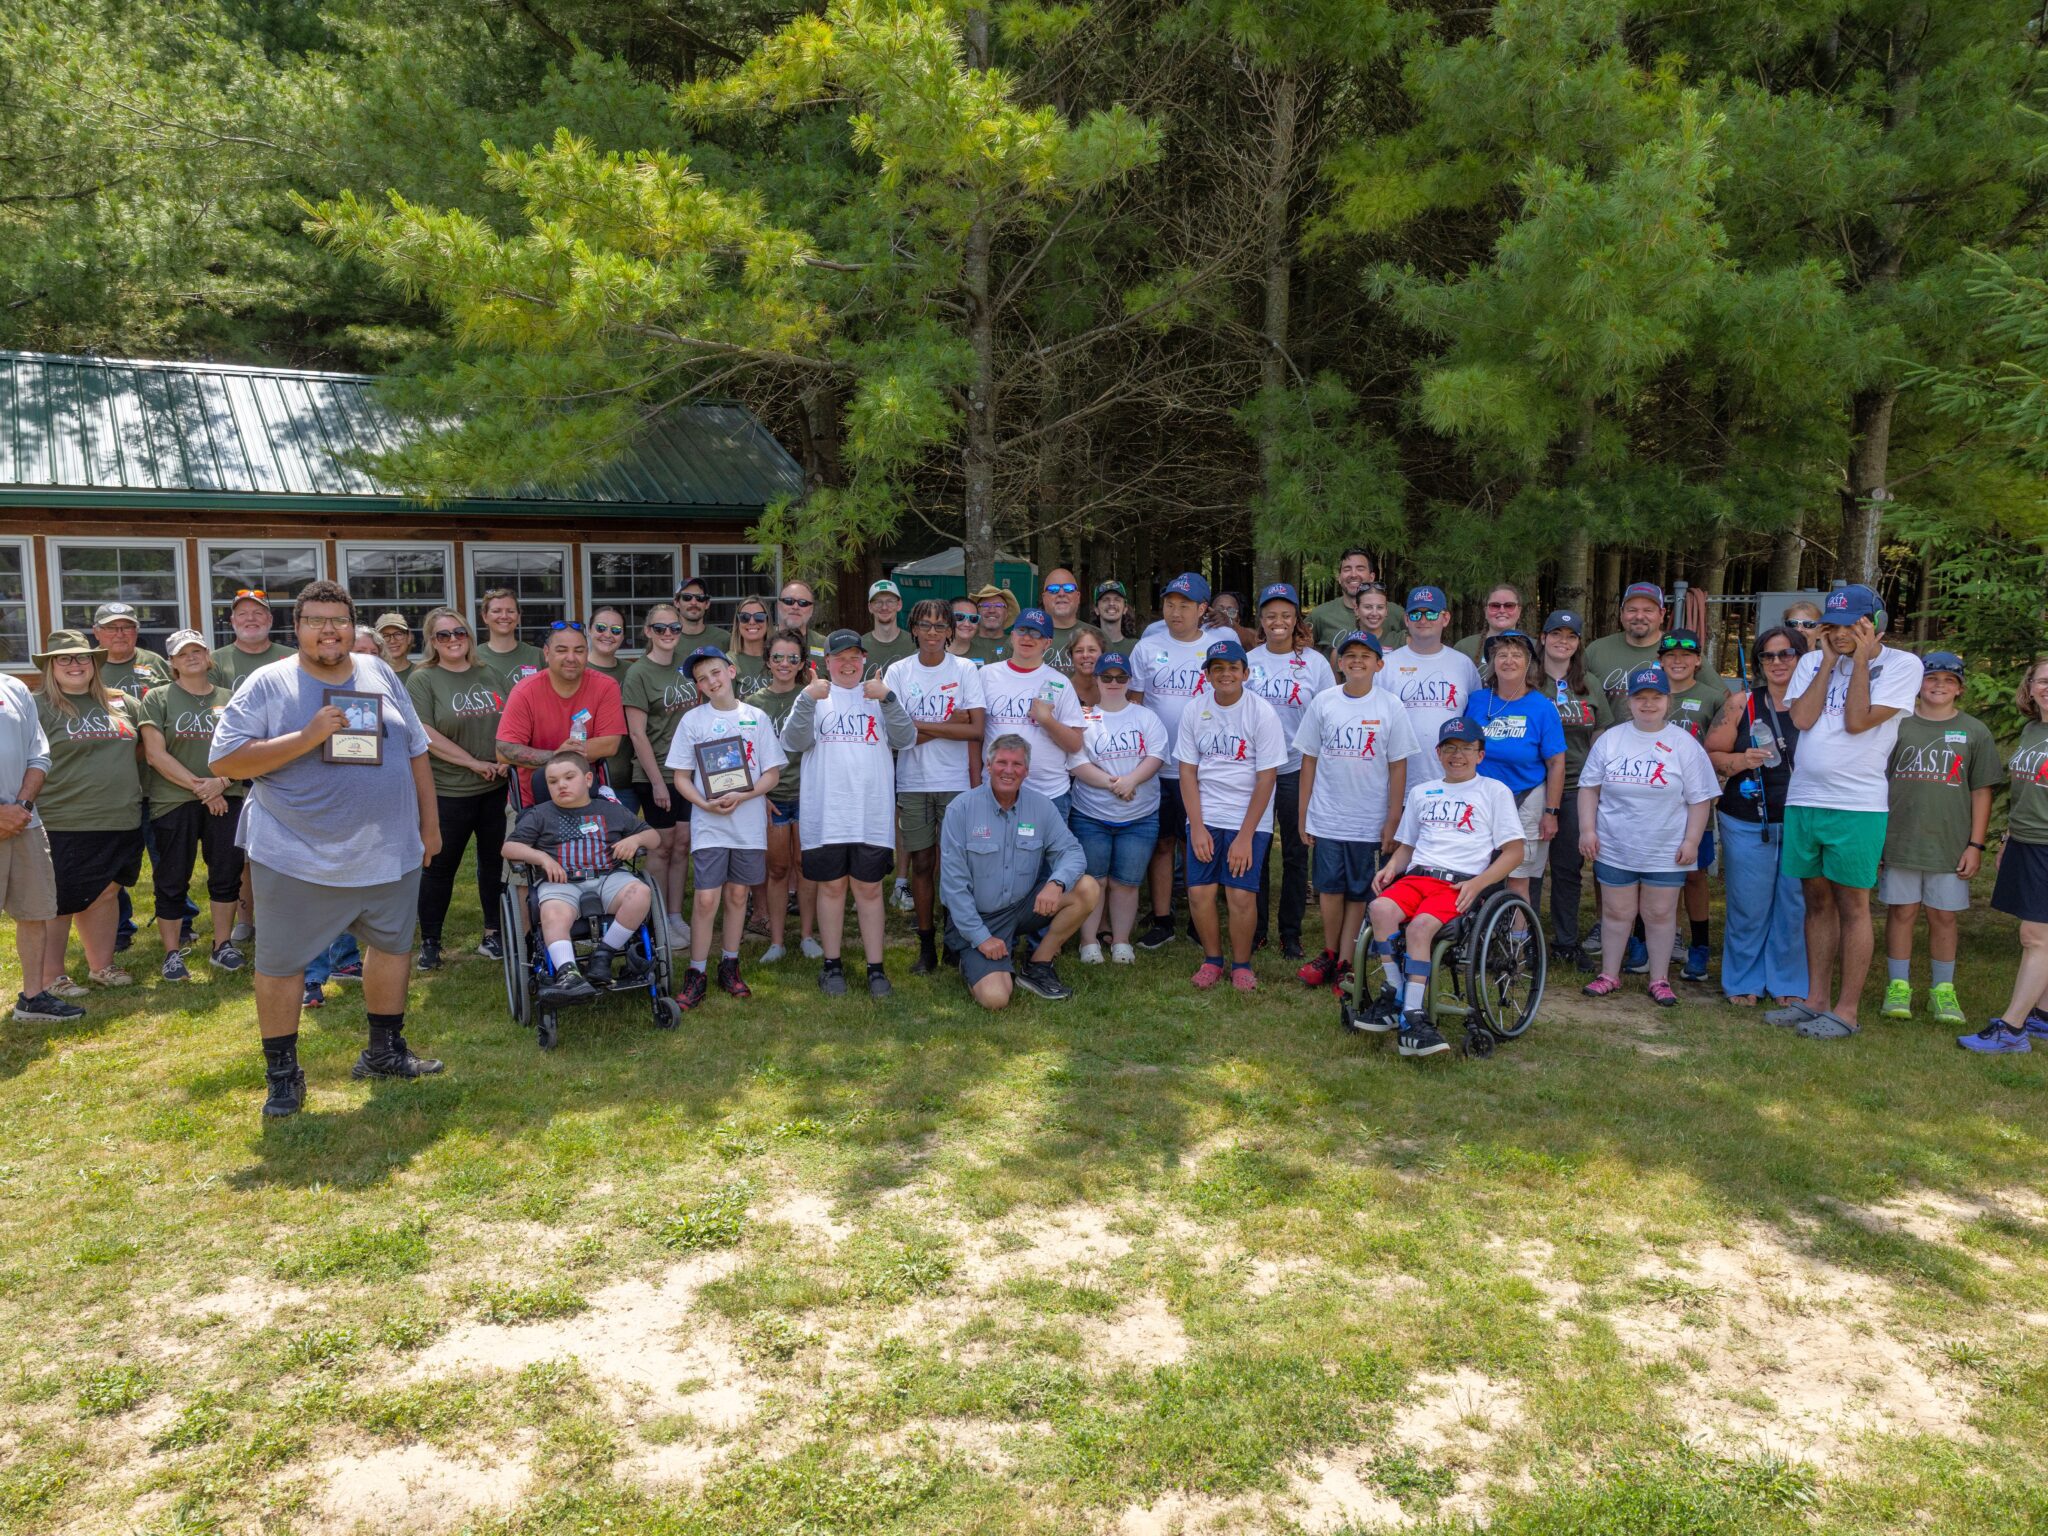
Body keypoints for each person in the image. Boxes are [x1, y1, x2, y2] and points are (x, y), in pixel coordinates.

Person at [210, 580, 442, 1119]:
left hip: (387, 849)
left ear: (351, 623)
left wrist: (428, 826)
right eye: (316, 620)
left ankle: (384, 1052)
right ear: (298, 628)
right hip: (297, 853)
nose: (329, 630)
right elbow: (225, 763)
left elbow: (415, 748)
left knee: (392, 947)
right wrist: (307, 736)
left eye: (337, 619)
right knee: (281, 964)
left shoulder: (378, 672)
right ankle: (283, 1075)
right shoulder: (268, 683)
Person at [1766, 583, 1924, 1039]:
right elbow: (1801, 720)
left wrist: (1859, 661)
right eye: (1832, 626)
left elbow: (1857, 721)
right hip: (1805, 800)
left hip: (1857, 805)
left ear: (1874, 625)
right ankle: (1815, 1000)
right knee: (1815, 902)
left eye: (1851, 626)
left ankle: (1847, 1010)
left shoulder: (1902, 665)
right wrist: (1830, 661)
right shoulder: (1815, 662)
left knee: (1852, 905)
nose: (1839, 634)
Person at [1364, 719, 1524, 1057]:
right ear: (1438, 753)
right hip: (1418, 876)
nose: (1457, 755)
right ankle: (1394, 992)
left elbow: (1515, 851)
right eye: (1449, 748)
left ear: (1480, 754)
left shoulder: (1494, 792)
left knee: (1421, 928)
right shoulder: (1422, 792)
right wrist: (1392, 867)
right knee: (1379, 908)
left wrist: (1480, 882)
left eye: (1465, 748)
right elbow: (1407, 846)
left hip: (1459, 882)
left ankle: (1412, 1015)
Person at [778, 630, 917, 996]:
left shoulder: (878, 696)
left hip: (870, 813)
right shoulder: (814, 697)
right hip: (826, 814)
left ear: (865, 659)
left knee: (869, 889)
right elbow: (793, 742)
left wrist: (888, 699)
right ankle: (832, 965)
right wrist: (808, 699)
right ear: (827, 662)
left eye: (855, 657)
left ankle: (876, 969)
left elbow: (906, 739)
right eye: (840, 657)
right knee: (833, 887)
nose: (848, 664)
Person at [1577, 667, 1719, 1008]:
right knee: (1616, 912)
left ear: (1668, 701)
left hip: (1665, 848)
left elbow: (1700, 798)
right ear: (1629, 701)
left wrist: (1692, 841)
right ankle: (1609, 973)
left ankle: (1659, 979)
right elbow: (1589, 788)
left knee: (1659, 914)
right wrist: (1588, 829)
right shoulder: (1611, 739)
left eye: (1656, 697)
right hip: (1615, 844)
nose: (1648, 704)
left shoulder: (1684, 744)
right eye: (1641, 697)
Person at [1877, 652, 1999, 1025]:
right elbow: (1876, 780)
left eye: (1948, 680)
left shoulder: (1975, 731)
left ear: (1959, 688)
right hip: (1900, 838)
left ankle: (1942, 991)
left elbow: (1981, 791)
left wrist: (1975, 845)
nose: (1939, 685)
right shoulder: (1898, 726)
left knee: (1944, 915)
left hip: (1949, 843)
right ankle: (1899, 987)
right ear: (1918, 684)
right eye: (1932, 678)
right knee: (1901, 911)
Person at [1294, 631, 1418, 994]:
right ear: (1339, 662)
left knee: (1359, 891)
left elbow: (1398, 766)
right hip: (1329, 814)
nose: (1358, 661)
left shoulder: (1390, 706)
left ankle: (1347, 960)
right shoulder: (1324, 702)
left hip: (1369, 819)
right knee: (1329, 889)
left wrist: (1393, 819)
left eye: (1366, 656)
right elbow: (1309, 760)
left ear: (1379, 664)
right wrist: (1304, 813)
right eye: (1350, 655)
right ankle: (1330, 952)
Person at [937, 734, 1100, 1006]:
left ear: (1026, 770)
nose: (1008, 770)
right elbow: (954, 888)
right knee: (996, 999)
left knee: (1087, 888)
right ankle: (971, 960)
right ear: (989, 766)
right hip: (979, 918)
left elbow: (1072, 852)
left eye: (1017, 764)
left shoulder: (1041, 806)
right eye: (1001, 762)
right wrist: (981, 938)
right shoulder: (961, 809)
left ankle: (1038, 965)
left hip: (1023, 908)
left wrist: (1056, 883)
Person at [667, 647, 786, 1008]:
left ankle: (730, 964)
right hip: (710, 823)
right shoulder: (693, 721)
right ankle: (696, 971)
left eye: (716, 672)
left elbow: (772, 773)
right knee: (706, 898)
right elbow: (681, 776)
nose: (711, 681)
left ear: (731, 672)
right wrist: (703, 804)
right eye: (702, 678)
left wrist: (745, 794)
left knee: (738, 895)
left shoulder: (757, 717)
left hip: (747, 823)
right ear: (698, 686)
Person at [31, 630, 142, 995]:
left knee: (105, 892)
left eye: (83, 658)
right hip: (65, 819)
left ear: (95, 664)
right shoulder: (38, 706)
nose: (75, 665)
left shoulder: (120, 703)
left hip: (121, 817)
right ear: (50, 666)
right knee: (60, 900)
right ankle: (52, 977)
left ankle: (101, 966)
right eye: (64, 659)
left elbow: (146, 749)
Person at [1703, 626, 1809, 1007]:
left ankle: (1788, 981)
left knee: (1794, 904)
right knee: (1748, 904)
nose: (1777, 662)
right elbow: (1711, 753)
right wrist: (1738, 761)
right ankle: (1743, 979)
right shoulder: (1742, 703)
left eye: (1786, 654)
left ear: (1802, 656)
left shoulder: (1818, 701)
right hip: (1747, 818)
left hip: (1801, 818)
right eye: (1768, 655)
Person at [1131, 572, 1236, 949]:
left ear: (1202, 609)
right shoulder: (1147, 647)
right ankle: (1162, 919)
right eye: (1170, 604)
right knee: (1163, 843)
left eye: (1185, 605)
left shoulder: (1217, 650)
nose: (1175, 612)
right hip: (1157, 766)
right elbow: (1135, 703)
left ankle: (1198, 916)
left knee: (1196, 842)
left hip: (1202, 768)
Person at [501, 753, 660, 1003]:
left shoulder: (610, 810)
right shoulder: (539, 814)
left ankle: (603, 956)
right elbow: (509, 849)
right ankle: (569, 973)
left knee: (641, 893)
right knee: (552, 913)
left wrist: (635, 839)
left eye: (568, 777)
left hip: (609, 876)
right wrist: (543, 859)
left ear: (588, 779)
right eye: (552, 782)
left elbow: (654, 837)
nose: (561, 785)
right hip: (561, 883)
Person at [405, 605, 511, 972]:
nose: (453, 640)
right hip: (448, 790)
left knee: (495, 864)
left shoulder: (490, 673)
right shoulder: (423, 679)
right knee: (438, 866)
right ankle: (431, 942)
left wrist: (504, 758)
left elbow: (510, 720)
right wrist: (472, 762)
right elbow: (424, 733)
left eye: (459, 633)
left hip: (496, 786)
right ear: (431, 641)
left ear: (469, 636)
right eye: (443, 635)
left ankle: (493, 933)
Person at [1178, 638, 1287, 992]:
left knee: (1240, 895)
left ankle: (1241, 964)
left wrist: (1245, 837)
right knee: (1200, 894)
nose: (1226, 674)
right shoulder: (1195, 709)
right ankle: (1212, 959)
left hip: (1247, 819)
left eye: (1233, 668)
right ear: (1208, 674)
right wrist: (1196, 827)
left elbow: (1266, 776)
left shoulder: (1261, 712)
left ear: (1245, 673)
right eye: (1218, 668)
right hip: (1206, 814)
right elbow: (1187, 772)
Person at [885, 600, 986, 973]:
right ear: (913, 629)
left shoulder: (964, 670)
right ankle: (926, 946)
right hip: (912, 783)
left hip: (956, 781)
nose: (932, 631)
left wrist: (919, 726)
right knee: (923, 864)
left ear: (950, 631)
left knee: (956, 866)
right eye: (924, 624)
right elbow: (896, 736)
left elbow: (976, 729)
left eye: (940, 625)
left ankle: (955, 943)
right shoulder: (898, 671)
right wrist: (949, 721)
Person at [138, 629, 245, 979]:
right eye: (183, 654)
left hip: (226, 798)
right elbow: (155, 754)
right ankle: (172, 953)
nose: (192, 657)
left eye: (197, 650)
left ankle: (222, 945)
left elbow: (246, 749)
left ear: (208, 656)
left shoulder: (231, 697)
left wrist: (222, 784)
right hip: (174, 802)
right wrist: (203, 789)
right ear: (173, 663)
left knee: (226, 874)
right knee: (172, 878)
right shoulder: (158, 697)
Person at [1959, 658, 2048, 1052]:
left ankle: (2011, 1031)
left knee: (2035, 936)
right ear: (2029, 688)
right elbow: (2026, 792)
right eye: (2042, 680)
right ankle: (2043, 1016)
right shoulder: (2033, 729)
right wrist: (2010, 836)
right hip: (2027, 841)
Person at [1244, 583, 1334, 959]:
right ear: (1261, 620)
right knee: (1256, 850)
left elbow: (1329, 713)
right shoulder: (1248, 659)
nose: (1278, 622)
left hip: (1298, 769)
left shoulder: (1314, 663)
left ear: (1296, 618)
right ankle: (1257, 929)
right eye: (1270, 615)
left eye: (1285, 615)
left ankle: (1290, 933)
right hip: (1255, 770)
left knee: (1297, 853)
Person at [1068, 650, 1167, 964]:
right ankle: (1088, 941)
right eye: (1106, 676)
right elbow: (1076, 763)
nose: (1113, 682)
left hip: (1139, 817)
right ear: (1096, 679)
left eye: (1120, 677)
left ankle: (1122, 940)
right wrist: (1117, 784)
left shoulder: (1145, 716)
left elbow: (1156, 756)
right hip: (1091, 815)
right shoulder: (1083, 719)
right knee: (1093, 880)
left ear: (1129, 680)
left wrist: (1132, 780)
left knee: (1126, 882)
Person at [1463, 630, 1565, 907]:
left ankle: (1518, 943)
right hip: (1481, 799)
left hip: (1525, 797)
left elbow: (1556, 762)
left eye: (1516, 655)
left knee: (1519, 877)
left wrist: (1551, 812)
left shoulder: (1542, 707)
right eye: (1502, 655)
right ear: (1492, 662)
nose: (1509, 661)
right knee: (1477, 870)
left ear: (1528, 661)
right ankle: (1479, 938)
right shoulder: (1477, 701)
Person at [0, 664, 78, 1024]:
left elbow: (39, 753)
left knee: (35, 911)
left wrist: (22, 806)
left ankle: (32, 998)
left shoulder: (13, 687)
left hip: (25, 822)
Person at [1532, 611, 1606, 966]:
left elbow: (1602, 733)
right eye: (1556, 634)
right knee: (1528, 867)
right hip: (1533, 785)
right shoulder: (1528, 680)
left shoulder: (1589, 682)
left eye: (1571, 636)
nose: (1563, 641)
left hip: (1577, 785)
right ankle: (1523, 937)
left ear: (1578, 644)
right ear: (1543, 638)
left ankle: (1565, 940)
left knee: (1567, 868)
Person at [622, 603, 695, 943]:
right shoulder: (639, 674)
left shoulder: (687, 668)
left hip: (689, 771)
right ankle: (656, 919)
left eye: (675, 628)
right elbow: (637, 734)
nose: (669, 634)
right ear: (648, 632)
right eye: (661, 628)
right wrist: (656, 783)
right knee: (661, 846)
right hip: (657, 774)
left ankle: (675, 915)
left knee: (682, 844)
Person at [1654, 629, 1724, 980]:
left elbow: (1720, 747)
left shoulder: (1712, 698)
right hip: (1652, 801)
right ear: (1660, 660)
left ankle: (1699, 947)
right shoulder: (1648, 694)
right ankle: (1641, 939)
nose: (1678, 661)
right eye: (1670, 656)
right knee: (1647, 872)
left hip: (1693, 801)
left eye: (1686, 655)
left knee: (1694, 875)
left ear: (1698, 660)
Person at [978, 609, 1086, 820]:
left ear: (1047, 642)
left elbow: (1075, 744)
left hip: (1049, 794)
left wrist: (1047, 720)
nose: (1027, 637)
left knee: (1046, 854)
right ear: (1012, 635)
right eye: (1022, 630)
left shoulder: (1060, 682)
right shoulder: (987, 675)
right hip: (994, 789)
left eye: (1037, 633)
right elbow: (975, 735)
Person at [495, 623, 628, 793]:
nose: (571, 658)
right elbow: (504, 750)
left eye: (579, 651)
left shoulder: (606, 686)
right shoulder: (525, 691)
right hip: (534, 798)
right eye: (562, 650)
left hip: (587, 795)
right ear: (546, 653)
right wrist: (557, 755)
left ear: (587, 654)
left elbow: (609, 745)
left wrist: (563, 754)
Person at [755, 629, 818, 962]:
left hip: (807, 795)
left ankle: (807, 935)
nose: (784, 663)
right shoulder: (753, 704)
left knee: (805, 866)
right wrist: (757, 795)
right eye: (777, 657)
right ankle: (777, 941)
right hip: (773, 797)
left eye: (792, 658)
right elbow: (746, 756)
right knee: (777, 869)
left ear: (802, 663)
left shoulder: (812, 699)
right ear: (768, 660)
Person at [1385, 586, 1481, 787]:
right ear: (1406, 619)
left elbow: (1474, 723)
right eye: (1415, 613)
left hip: (1452, 780)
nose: (1423, 620)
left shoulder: (1463, 665)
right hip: (1396, 782)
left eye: (1431, 613)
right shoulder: (1387, 665)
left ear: (1445, 618)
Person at [1583, 583, 1726, 708]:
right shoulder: (1597, 650)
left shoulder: (1681, 650)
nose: (1639, 616)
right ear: (1621, 614)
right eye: (1632, 610)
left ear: (1662, 614)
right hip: (1611, 738)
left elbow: (1723, 698)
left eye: (1648, 610)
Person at [1309, 548, 1404, 649]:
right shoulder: (1320, 615)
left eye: (1360, 569)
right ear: (1339, 577)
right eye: (1347, 569)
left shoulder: (1396, 613)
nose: (1353, 574)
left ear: (1372, 577)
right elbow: (1296, 644)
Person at [209, 590, 293, 691]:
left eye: (258, 613)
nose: (250, 618)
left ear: (270, 620)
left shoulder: (293, 658)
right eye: (242, 614)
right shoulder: (214, 661)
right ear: (233, 621)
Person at [91, 602, 171, 701]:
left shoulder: (155, 662)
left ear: (136, 631)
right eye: (111, 628)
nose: (120, 635)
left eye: (127, 628)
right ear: (96, 632)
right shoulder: (85, 664)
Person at [474, 589, 544, 697]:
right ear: (485, 617)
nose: (504, 616)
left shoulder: (538, 656)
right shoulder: (473, 657)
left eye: (510, 611)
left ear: (519, 617)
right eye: (496, 611)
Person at [1454, 584, 1525, 663]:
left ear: (1519, 611)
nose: (1502, 610)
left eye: (1509, 606)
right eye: (1495, 606)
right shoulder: (1464, 647)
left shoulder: (1535, 647)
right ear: (1485, 612)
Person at [861, 579, 915, 676]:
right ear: (870, 607)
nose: (884, 607)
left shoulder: (914, 644)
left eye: (890, 601)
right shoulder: (859, 646)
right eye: (878, 602)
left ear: (899, 605)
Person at [726, 597, 774, 697]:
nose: (752, 622)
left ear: (767, 622)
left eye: (759, 617)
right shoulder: (729, 661)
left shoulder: (779, 658)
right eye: (745, 617)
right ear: (738, 623)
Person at [776, 579, 831, 662]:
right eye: (789, 601)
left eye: (803, 603)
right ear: (778, 606)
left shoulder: (825, 646)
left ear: (812, 610)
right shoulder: (762, 641)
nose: (795, 607)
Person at [967, 584, 1018, 665]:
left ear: (1006, 614)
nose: (992, 610)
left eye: (998, 605)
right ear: (976, 613)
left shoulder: (1017, 645)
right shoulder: (964, 643)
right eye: (985, 605)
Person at [673, 576, 723, 650]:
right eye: (687, 597)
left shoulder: (724, 639)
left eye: (700, 598)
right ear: (676, 603)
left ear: (707, 604)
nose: (693, 603)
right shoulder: (665, 639)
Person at [584, 605, 629, 682]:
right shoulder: (576, 669)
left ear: (623, 636)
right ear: (589, 630)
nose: (608, 635)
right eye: (600, 627)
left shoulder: (632, 671)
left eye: (616, 629)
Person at [1068, 628, 1105, 710]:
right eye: (1079, 651)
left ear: (1102, 654)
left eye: (1092, 650)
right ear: (1071, 656)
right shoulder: (1063, 691)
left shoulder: (1112, 689)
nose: (1085, 655)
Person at [1091, 580, 1135, 644]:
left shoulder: (1136, 647)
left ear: (1125, 609)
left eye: (1117, 600)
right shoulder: (1087, 648)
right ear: (1096, 609)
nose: (1111, 603)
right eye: (1105, 600)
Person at [374, 613, 416, 680]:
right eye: (385, 636)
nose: (392, 641)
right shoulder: (372, 675)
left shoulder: (422, 673)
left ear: (409, 638)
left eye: (398, 634)